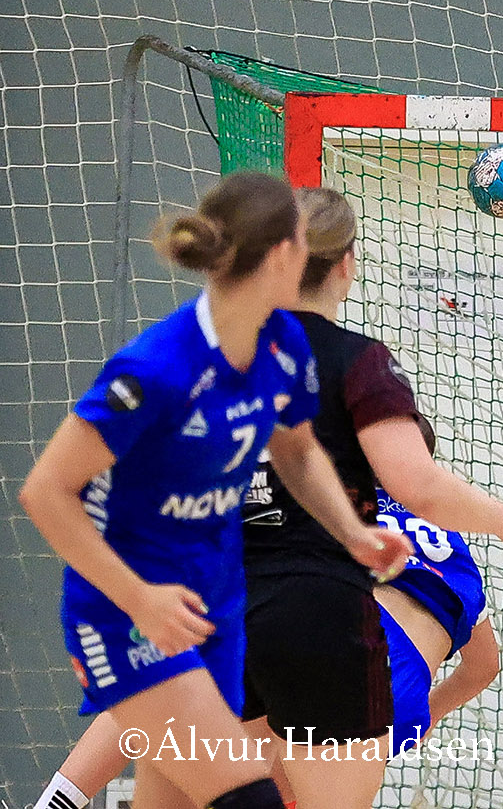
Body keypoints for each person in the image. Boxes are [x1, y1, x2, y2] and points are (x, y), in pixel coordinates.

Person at [19, 172, 413, 809]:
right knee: (248, 798)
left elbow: (297, 448)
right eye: (304, 240)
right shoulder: (158, 368)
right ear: (282, 254)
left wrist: (352, 532)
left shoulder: (282, 346)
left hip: (215, 606)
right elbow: (45, 492)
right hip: (131, 613)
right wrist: (139, 598)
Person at [236, 186, 503, 809]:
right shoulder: (355, 363)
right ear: (346, 264)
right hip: (326, 624)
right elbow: (420, 487)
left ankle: (66, 791)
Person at [34, 494, 500, 809]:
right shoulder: (458, 557)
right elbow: (484, 667)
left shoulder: (342, 494)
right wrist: (429, 714)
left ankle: (59, 799)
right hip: (398, 687)